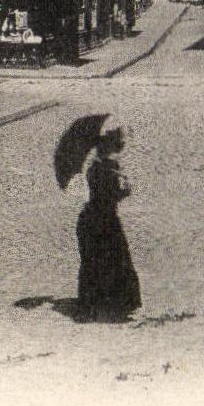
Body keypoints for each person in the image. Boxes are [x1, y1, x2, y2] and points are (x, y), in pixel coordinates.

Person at [76, 125, 141, 322]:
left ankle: (94, 301)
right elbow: (111, 197)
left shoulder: (95, 168)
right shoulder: (109, 171)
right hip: (105, 219)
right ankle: (116, 303)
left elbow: (99, 194)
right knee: (115, 258)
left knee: (95, 259)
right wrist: (125, 189)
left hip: (90, 219)